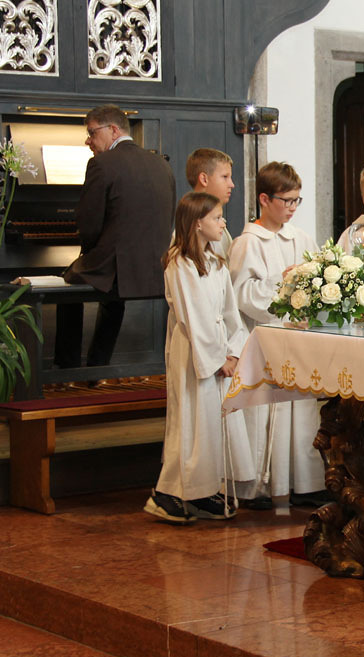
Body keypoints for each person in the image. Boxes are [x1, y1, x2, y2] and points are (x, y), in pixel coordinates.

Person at [144, 192, 254, 523]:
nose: (223, 222)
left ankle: (202, 490)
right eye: (217, 217)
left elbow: (230, 313)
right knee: (191, 422)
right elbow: (194, 317)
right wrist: (217, 359)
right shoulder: (180, 263)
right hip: (194, 353)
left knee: (211, 424)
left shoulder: (216, 262)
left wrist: (234, 351)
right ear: (196, 223)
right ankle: (166, 493)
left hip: (218, 353)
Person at [228, 162, 326, 508]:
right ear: (264, 199)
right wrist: (282, 282)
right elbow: (240, 295)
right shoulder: (247, 243)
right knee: (264, 415)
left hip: (297, 339)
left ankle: (305, 483)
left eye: (297, 200)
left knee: (302, 412)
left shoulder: (301, 238)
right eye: (286, 200)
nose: (292, 207)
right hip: (264, 340)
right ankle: (260, 485)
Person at [56, 104, 176, 368]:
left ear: (113, 129)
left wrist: (89, 252)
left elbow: (88, 224)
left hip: (118, 269)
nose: (88, 141)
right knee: (110, 294)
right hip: (155, 268)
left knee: (68, 283)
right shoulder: (161, 163)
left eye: (91, 133)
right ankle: (97, 366)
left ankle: (67, 369)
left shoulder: (101, 164)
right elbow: (168, 220)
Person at [185, 148, 235, 259]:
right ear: (204, 179)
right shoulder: (187, 235)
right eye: (225, 177)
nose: (232, 184)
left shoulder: (220, 227)